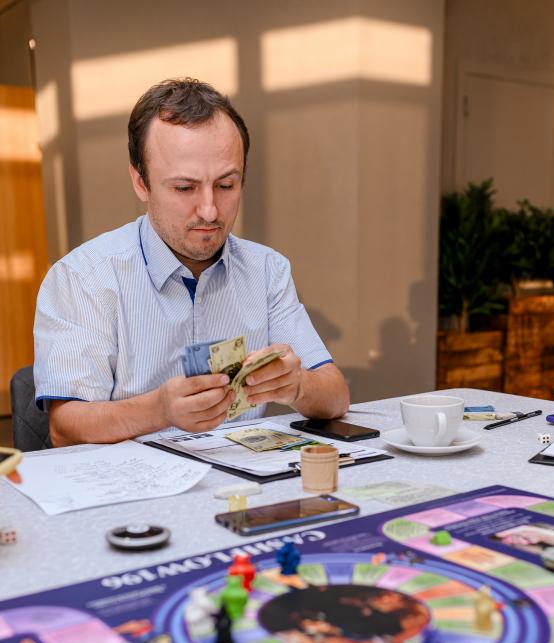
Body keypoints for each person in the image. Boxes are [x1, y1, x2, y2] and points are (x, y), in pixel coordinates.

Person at [34, 78, 349, 447]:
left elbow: (336, 396)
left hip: (241, 472)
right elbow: (64, 428)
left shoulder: (267, 270)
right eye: (184, 188)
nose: (209, 210)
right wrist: (159, 410)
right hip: (135, 478)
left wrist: (297, 385)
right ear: (140, 182)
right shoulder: (82, 277)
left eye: (226, 185)